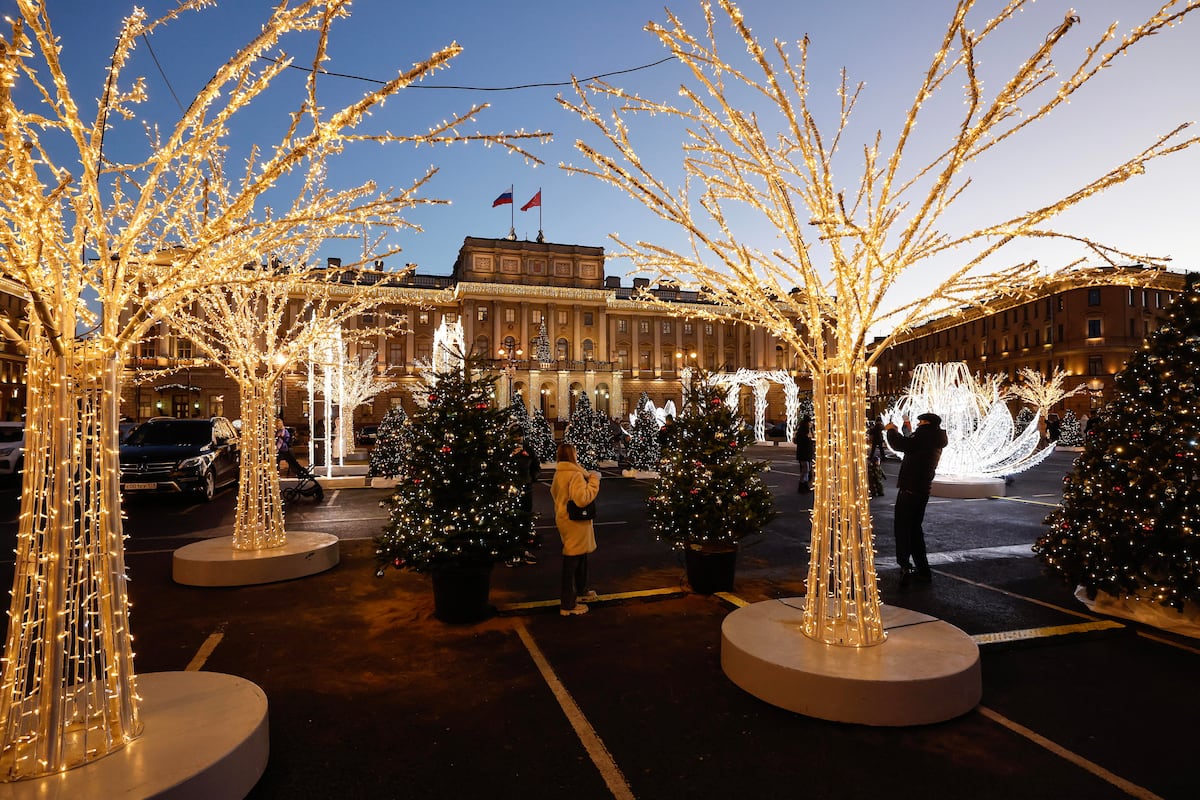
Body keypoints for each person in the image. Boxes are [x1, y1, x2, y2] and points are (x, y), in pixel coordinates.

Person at [885, 412, 947, 587]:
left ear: (926, 423)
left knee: (903, 530)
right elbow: (910, 442)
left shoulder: (925, 436)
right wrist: (905, 428)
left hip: (910, 490)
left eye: (920, 422)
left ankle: (905, 565)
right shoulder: (934, 437)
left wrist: (890, 431)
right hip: (921, 490)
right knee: (914, 531)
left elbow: (900, 444)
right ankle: (923, 570)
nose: (918, 425)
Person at [550, 442, 601, 616]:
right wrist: (594, 482)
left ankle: (582, 591)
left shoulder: (559, 473)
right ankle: (568, 603)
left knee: (580, 556)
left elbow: (554, 493)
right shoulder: (575, 475)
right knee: (572, 559)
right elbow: (582, 499)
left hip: (564, 519)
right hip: (575, 522)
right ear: (573, 455)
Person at [505, 427, 541, 567]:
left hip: (526, 488)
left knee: (525, 519)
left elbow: (536, 466)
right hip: (510, 490)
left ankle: (524, 550)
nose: (518, 439)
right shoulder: (506, 450)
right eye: (516, 436)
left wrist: (532, 478)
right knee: (511, 520)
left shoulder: (528, 449)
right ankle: (511, 552)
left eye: (520, 436)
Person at [793, 416, 814, 493]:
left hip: (808, 454)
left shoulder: (809, 430)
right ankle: (802, 485)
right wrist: (809, 440)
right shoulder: (802, 432)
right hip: (803, 454)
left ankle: (805, 485)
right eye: (809, 422)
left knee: (807, 470)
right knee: (805, 469)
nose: (810, 424)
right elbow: (799, 441)